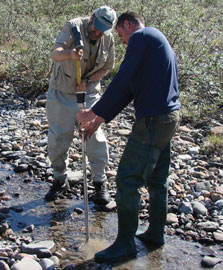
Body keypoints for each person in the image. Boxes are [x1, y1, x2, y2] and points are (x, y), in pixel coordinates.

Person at [77, 11, 181, 263]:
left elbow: (122, 79)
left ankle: (125, 245)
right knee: (157, 178)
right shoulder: (156, 40)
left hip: (153, 121)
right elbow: (131, 88)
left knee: (126, 179)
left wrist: (93, 110)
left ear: (127, 24)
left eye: (121, 34)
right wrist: (99, 118)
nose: (123, 41)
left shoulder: (142, 36)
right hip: (169, 117)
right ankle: (155, 235)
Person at [45, 6, 117, 207]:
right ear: (91, 17)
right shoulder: (73, 26)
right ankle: (60, 179)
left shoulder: (107, 37)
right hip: (62, 92)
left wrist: (88, 81)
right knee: (59, 137)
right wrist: (70, 54)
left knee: (94, 135)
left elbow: (106, 67)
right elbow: (55, 54)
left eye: (103, 30)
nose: (98, 32)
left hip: (89, 93)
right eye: (96, 27)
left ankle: (99, 182)